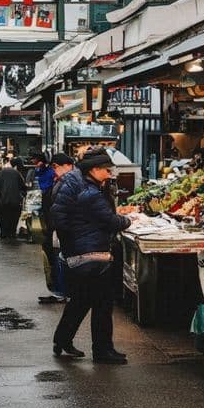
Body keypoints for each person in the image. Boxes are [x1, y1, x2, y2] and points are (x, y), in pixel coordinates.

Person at [50, 148, 131, 364]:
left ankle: (62, 340)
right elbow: (111, 220)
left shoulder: (76, 184)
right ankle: (103, 351)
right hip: (91, 254)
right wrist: (128, 221)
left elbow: (62, 218)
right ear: (94, 169)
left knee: (82, 300)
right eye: (106, 170)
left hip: (79, 251)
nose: (110, 173)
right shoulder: (91, 193)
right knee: (102, 303)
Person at [38, 152, 74, 304]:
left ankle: (63, 292)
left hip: (61, 228)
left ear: (67, 166)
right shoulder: (62, 180)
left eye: (56, 167)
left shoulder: (69, 182)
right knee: (57, 257)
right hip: (56, 226)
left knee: (60, 258)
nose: (54, 170)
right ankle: (61, 290)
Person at [0, 157, 27, 240]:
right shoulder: (17, 174)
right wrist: (21, 195)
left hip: (2, 202)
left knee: (3, 219)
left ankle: (4, 234)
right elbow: (23, 188)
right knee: (13, 220)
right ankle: (11, 234)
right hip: (15, 202)